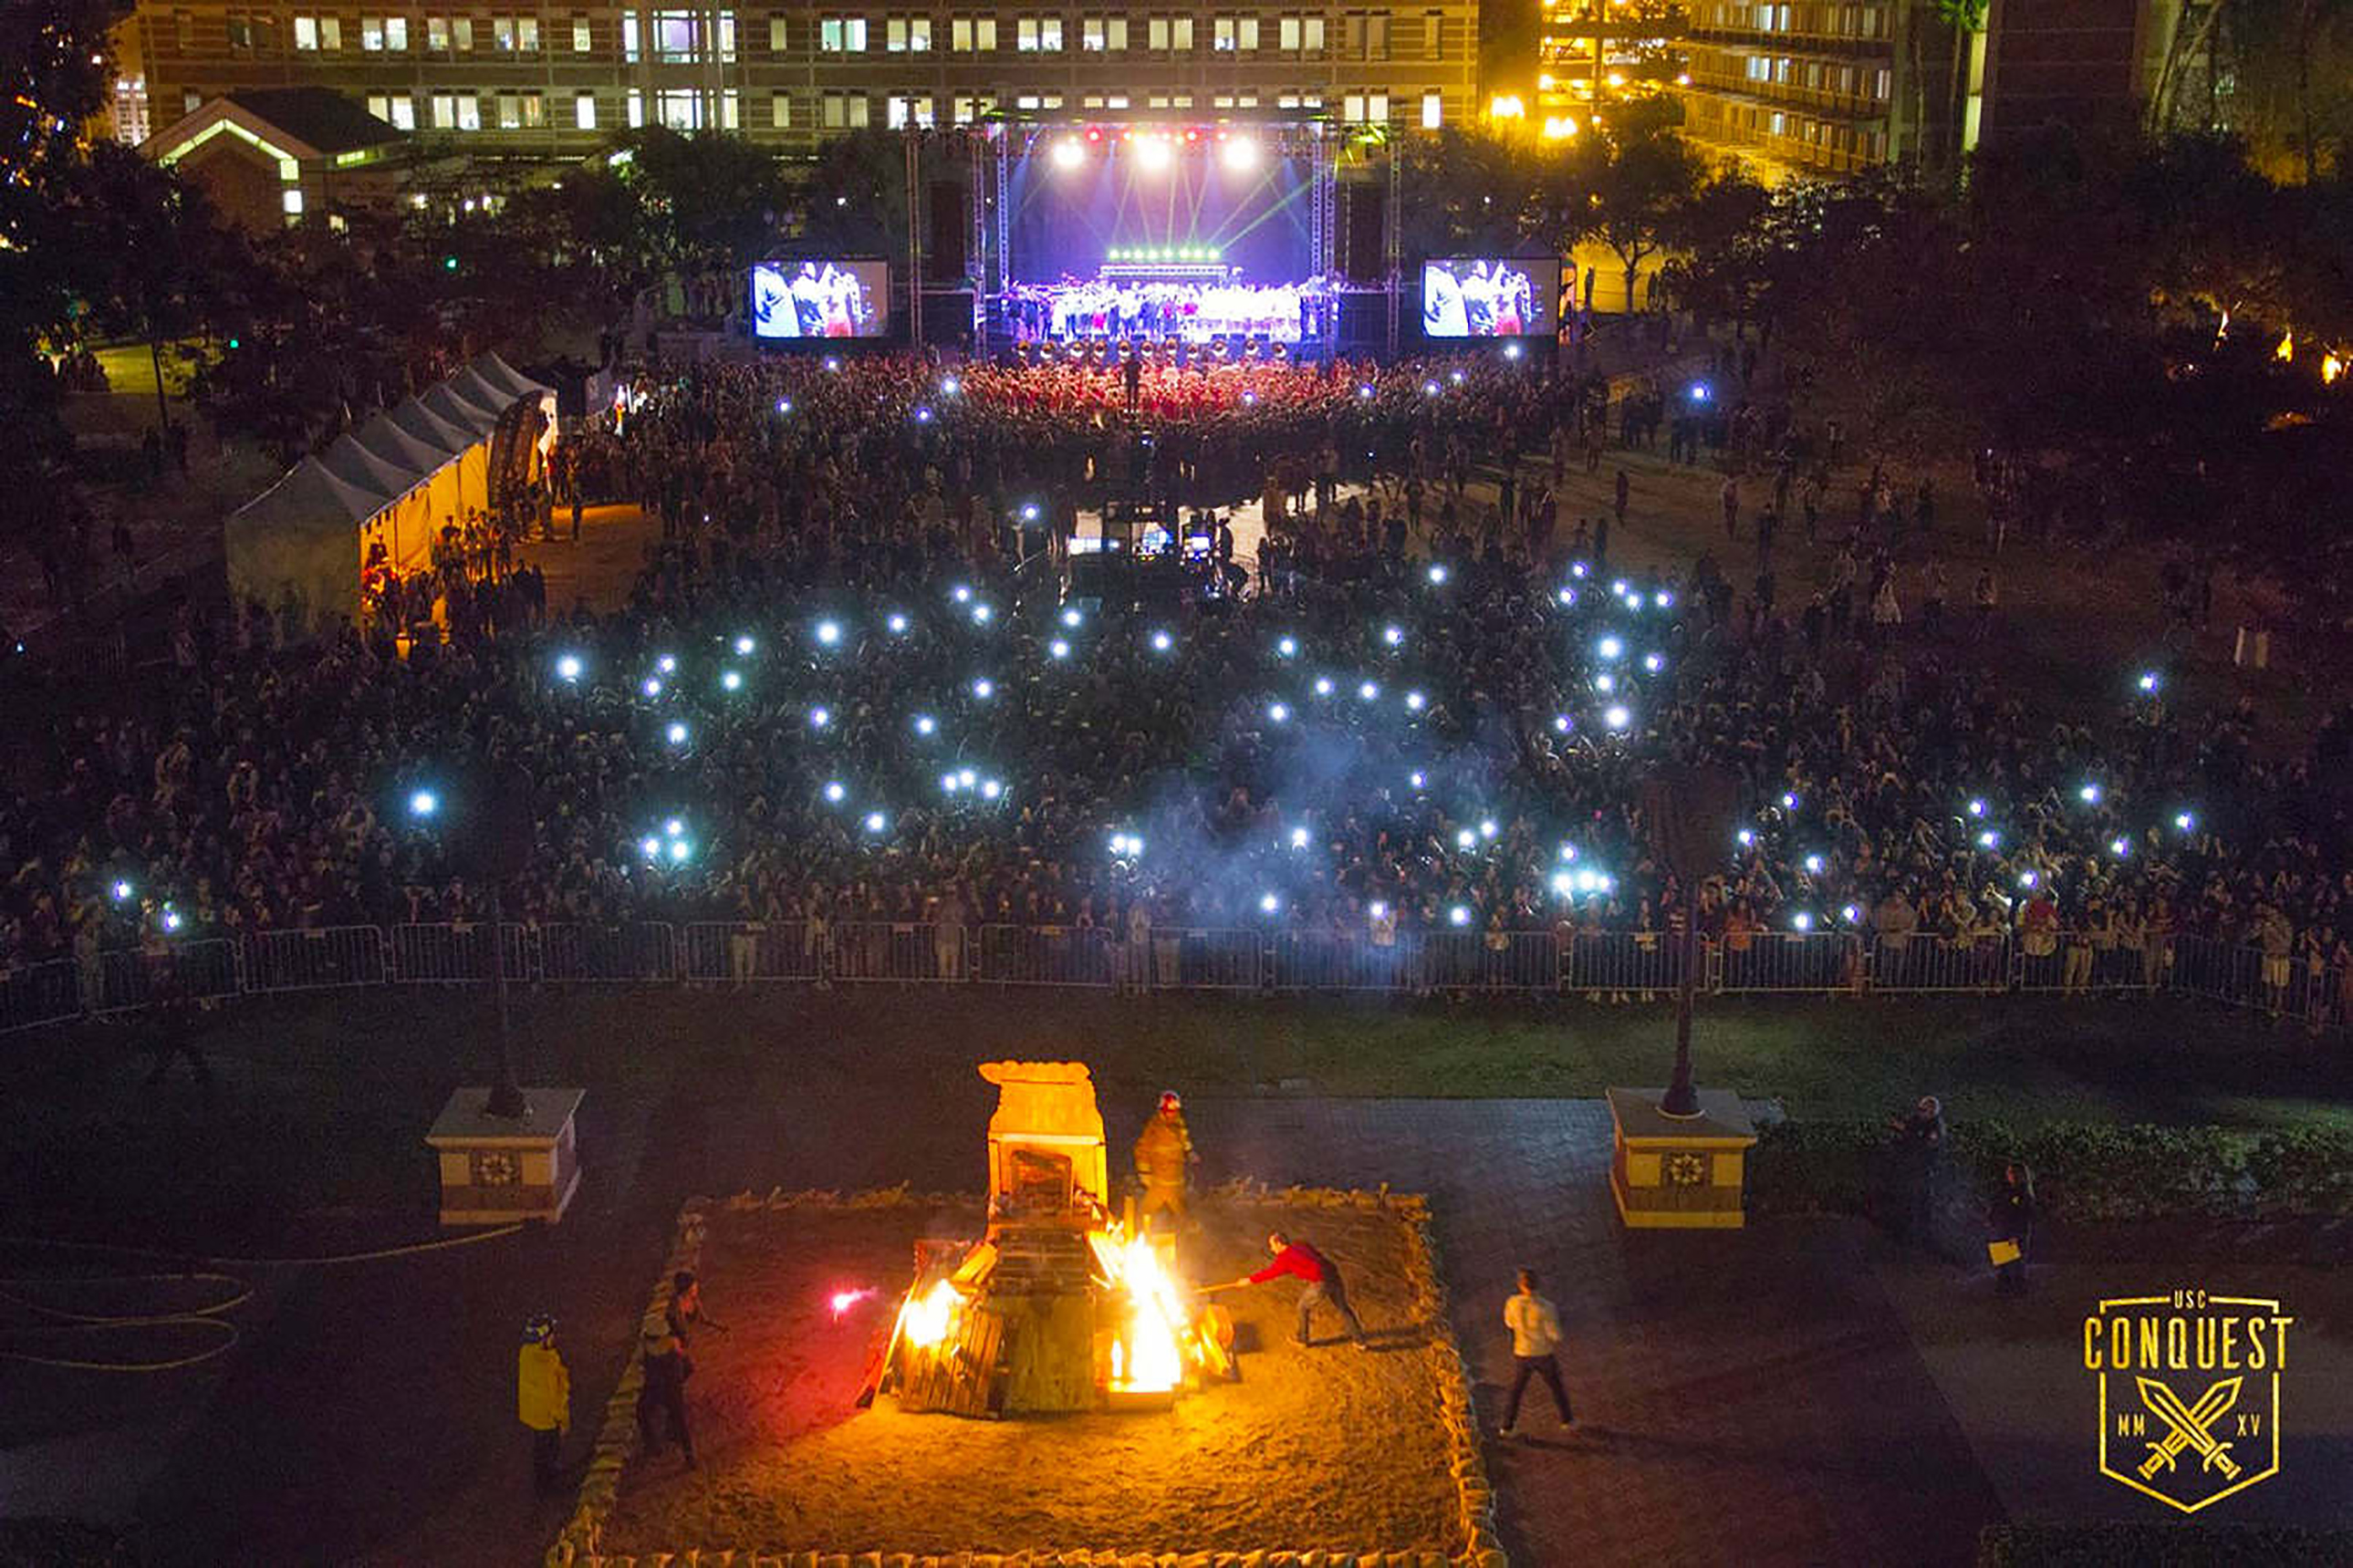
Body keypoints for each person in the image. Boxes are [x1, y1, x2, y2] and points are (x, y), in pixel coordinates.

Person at [1213, 1231, 1368, 1348]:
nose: (1272, 1249)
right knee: (1343, 1307)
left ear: (1280, 1244)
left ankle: (1302, 1339)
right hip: (1333, 1274)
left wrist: (1249, 1280)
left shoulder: (1284, 1259)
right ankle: (1360, 1341)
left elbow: (1270, 1273)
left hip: (1321, 1282)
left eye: (1272, 1245)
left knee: (1302, 1307)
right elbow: (1309, 1259)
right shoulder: (1300, 1245)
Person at [1499, 1269, 1573, 1438]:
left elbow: (1509, 1323)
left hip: (1522, 1352)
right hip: (1543, 1353)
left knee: (1516, 1391)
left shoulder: (1512, 1303)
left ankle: (1507, 1426)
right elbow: (1555, 1335)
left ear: (1520, 1285)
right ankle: (1567, 1420)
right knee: (1557, 1388)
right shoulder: (1547, 1307)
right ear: (1538, 1284)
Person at [517, 1314, 571, 1494]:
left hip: (534, 1413)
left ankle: (544, 1480)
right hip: (547, 1416)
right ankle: (548, 1485)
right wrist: (562, 1418)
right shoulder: (545, 1365)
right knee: (549, 1449)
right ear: (544, 1339)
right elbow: (552, 1396)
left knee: (540, 1448)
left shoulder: (527, 1352)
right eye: (551, 1335)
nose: (554, 1338)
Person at [1132, 1090, 1197, 1231]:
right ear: (1162, 1110)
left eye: (1174, 1111)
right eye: (1169, 1111)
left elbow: (1184, 1140)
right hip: (1158, 1182)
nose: (1172, 1114)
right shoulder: (1154, 1127)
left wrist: (1190, 1152)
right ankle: (1138, 1236)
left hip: (1176, 1181)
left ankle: (1193, 1240)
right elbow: (1142, 1150)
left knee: (1184, 1215)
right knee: (1145, 1214)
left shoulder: (1179, 1124)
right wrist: (1144, 1172)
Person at [636, 1322, 696, 1468]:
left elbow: (642, 1366)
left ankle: (653, 1446)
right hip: (671, 1391)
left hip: (659, 1390)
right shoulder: (674, 1350)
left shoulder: (649, 1352)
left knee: (642, 1410)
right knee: (680, 1421)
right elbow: (688, 1368)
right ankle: (689, 1457)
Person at [1989, 1163, 2035, 1296]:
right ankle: (2005, 1289)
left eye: (2010, 1172)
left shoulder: (2022, 1194)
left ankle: (2017, 1291)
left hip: (2013, 1232)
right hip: (2003, 1230)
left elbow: (2023, 1215)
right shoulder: (2006, 1191)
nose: (2007, 1175)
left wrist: (2016, 1234)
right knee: (2004, 1264)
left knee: (2016, 1264)